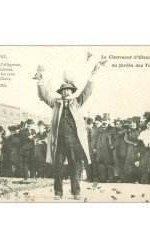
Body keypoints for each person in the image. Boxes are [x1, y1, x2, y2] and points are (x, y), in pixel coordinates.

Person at [37, 64, 100, 200]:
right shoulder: (56, 103)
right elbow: (44, 95)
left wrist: (92, 75)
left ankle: (76, 192)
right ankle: (58, 192)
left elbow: (87, 92)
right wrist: (40, 80)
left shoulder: (76, 103)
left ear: (72, 92)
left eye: (69, 90)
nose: (66, 92)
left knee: (75, 167)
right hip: (59, 141)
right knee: (58, 168)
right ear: (61, 92)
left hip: (74, 142)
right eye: (64, 90)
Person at [96, 113, 115, 182]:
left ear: (109, 121)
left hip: (109, 149)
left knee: (110, 163)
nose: (105, 122)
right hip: (101, 148)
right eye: (103, 121)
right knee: (101, 163)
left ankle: (110, 178)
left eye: (106, 121)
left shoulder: (112, 129)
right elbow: (96, 139)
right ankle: (102, 178)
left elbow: (116, 139)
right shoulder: (99, 129)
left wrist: (113, 146)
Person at [124, 118, 140, 183]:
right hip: (130, 148)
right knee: (129, 162)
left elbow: (141, 139)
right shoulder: (127, 131)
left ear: (136, 124)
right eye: (131, 123)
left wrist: (138, 144)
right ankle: (128, 179)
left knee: (136, 162)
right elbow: (125, 139)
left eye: (133, 123)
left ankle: (136, 179)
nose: (132, 124)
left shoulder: (139, 131)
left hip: (138, 148)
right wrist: (133, 143)